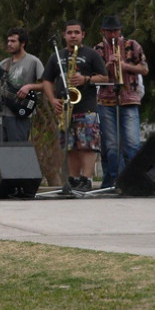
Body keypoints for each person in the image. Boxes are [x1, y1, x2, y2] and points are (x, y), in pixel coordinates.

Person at [42, 20, 108, 191]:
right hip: (64, 107)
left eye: (76, 32)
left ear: (83, 35)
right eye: (69, 32)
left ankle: (86, 180)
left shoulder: (92, 54)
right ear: (64, 35)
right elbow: (47, 80)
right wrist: (52, 99)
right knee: (70, 146)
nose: (73, 36)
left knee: (87, 145)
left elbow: (105, 77)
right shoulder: (57, 55)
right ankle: (73, 179)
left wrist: (86, 79)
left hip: (86, 106)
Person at [94, 16, 149, 188]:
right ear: (103, 31)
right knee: (111, 146)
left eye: (116, 31)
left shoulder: (132, 45)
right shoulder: (98, 49)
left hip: (129, 98)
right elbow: (97, 76)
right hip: (106, 100)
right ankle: (115, 181)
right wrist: (109, 67)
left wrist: (125, 66)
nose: (113, 34)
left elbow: (144, 69)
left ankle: (135, 181)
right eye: (109, 31)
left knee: (132, 143)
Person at [0, 27, 44, 143]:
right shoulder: (4, 63)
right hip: (0, 114)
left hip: (20, 114)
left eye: (13, 41)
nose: (9, 44)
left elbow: (46, 85)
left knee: (17, 153)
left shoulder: (33, 61)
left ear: (22, 43)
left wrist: (29, 87)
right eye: (8, 41)